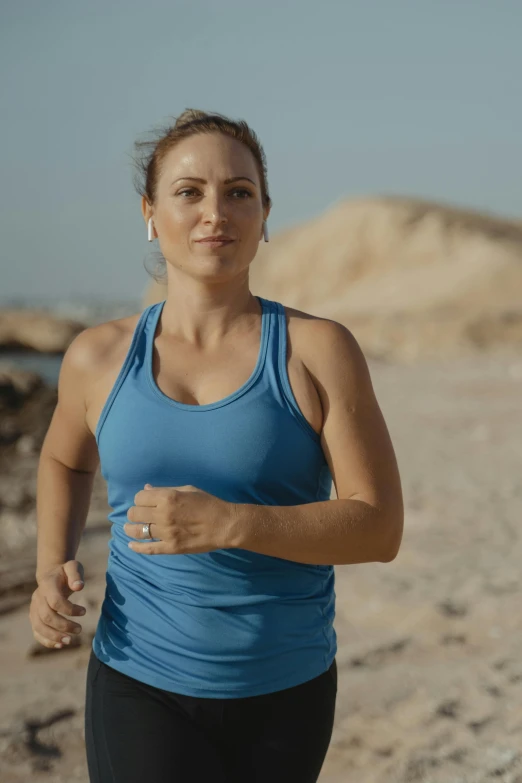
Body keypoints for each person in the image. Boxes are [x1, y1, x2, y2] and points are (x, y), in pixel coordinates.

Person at [29, 109, 404, 783]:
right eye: (189, 191)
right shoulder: (99, 358)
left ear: (265, 214)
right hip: (138, 677)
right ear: (150, 212)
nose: (215, 212)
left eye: (239, 192)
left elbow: (379, 525)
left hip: (287, 688)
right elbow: (64, 456)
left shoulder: (317, 351)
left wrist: (230, 522)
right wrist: (50, 564)